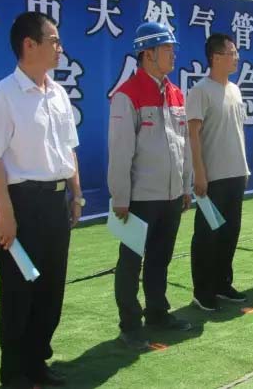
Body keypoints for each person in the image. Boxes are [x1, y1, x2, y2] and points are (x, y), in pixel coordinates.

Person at [0, 12, 83, 388]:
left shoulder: (59, 93)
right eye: (54, 41)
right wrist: (6, 214)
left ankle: (37, 363)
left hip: (55, 204)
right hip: (21, 205)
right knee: (19, 292)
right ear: (29, 45)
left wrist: (76, 194)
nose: (60, 48)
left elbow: (69, 149)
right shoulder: (1, 95)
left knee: (52, 289)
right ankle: (14, 373)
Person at [109, 21, 193, 350]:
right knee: (131, 263)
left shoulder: (175, 93)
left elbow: (184, 144)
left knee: (160, 258)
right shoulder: (127, 95)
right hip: (140, 198)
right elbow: (120, 151)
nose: (173, 54)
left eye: (172, 48)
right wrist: (120, 197)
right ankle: (130, 325)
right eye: (166, 49)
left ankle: (158, 313)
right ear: (147, 54)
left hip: (171, 195)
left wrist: (185, 186)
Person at [187, 33, 249, 311]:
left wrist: (243, 169)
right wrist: (199, 173)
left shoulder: (235, 89)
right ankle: (203, 291)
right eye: (231, 53)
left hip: (236, 173)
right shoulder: (200, 91)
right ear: (215, 57)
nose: (236, 57)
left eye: (236, 52)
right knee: (207, 235)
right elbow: (193, 134)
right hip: (213, 177)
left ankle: (223, 283)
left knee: (230, 232)